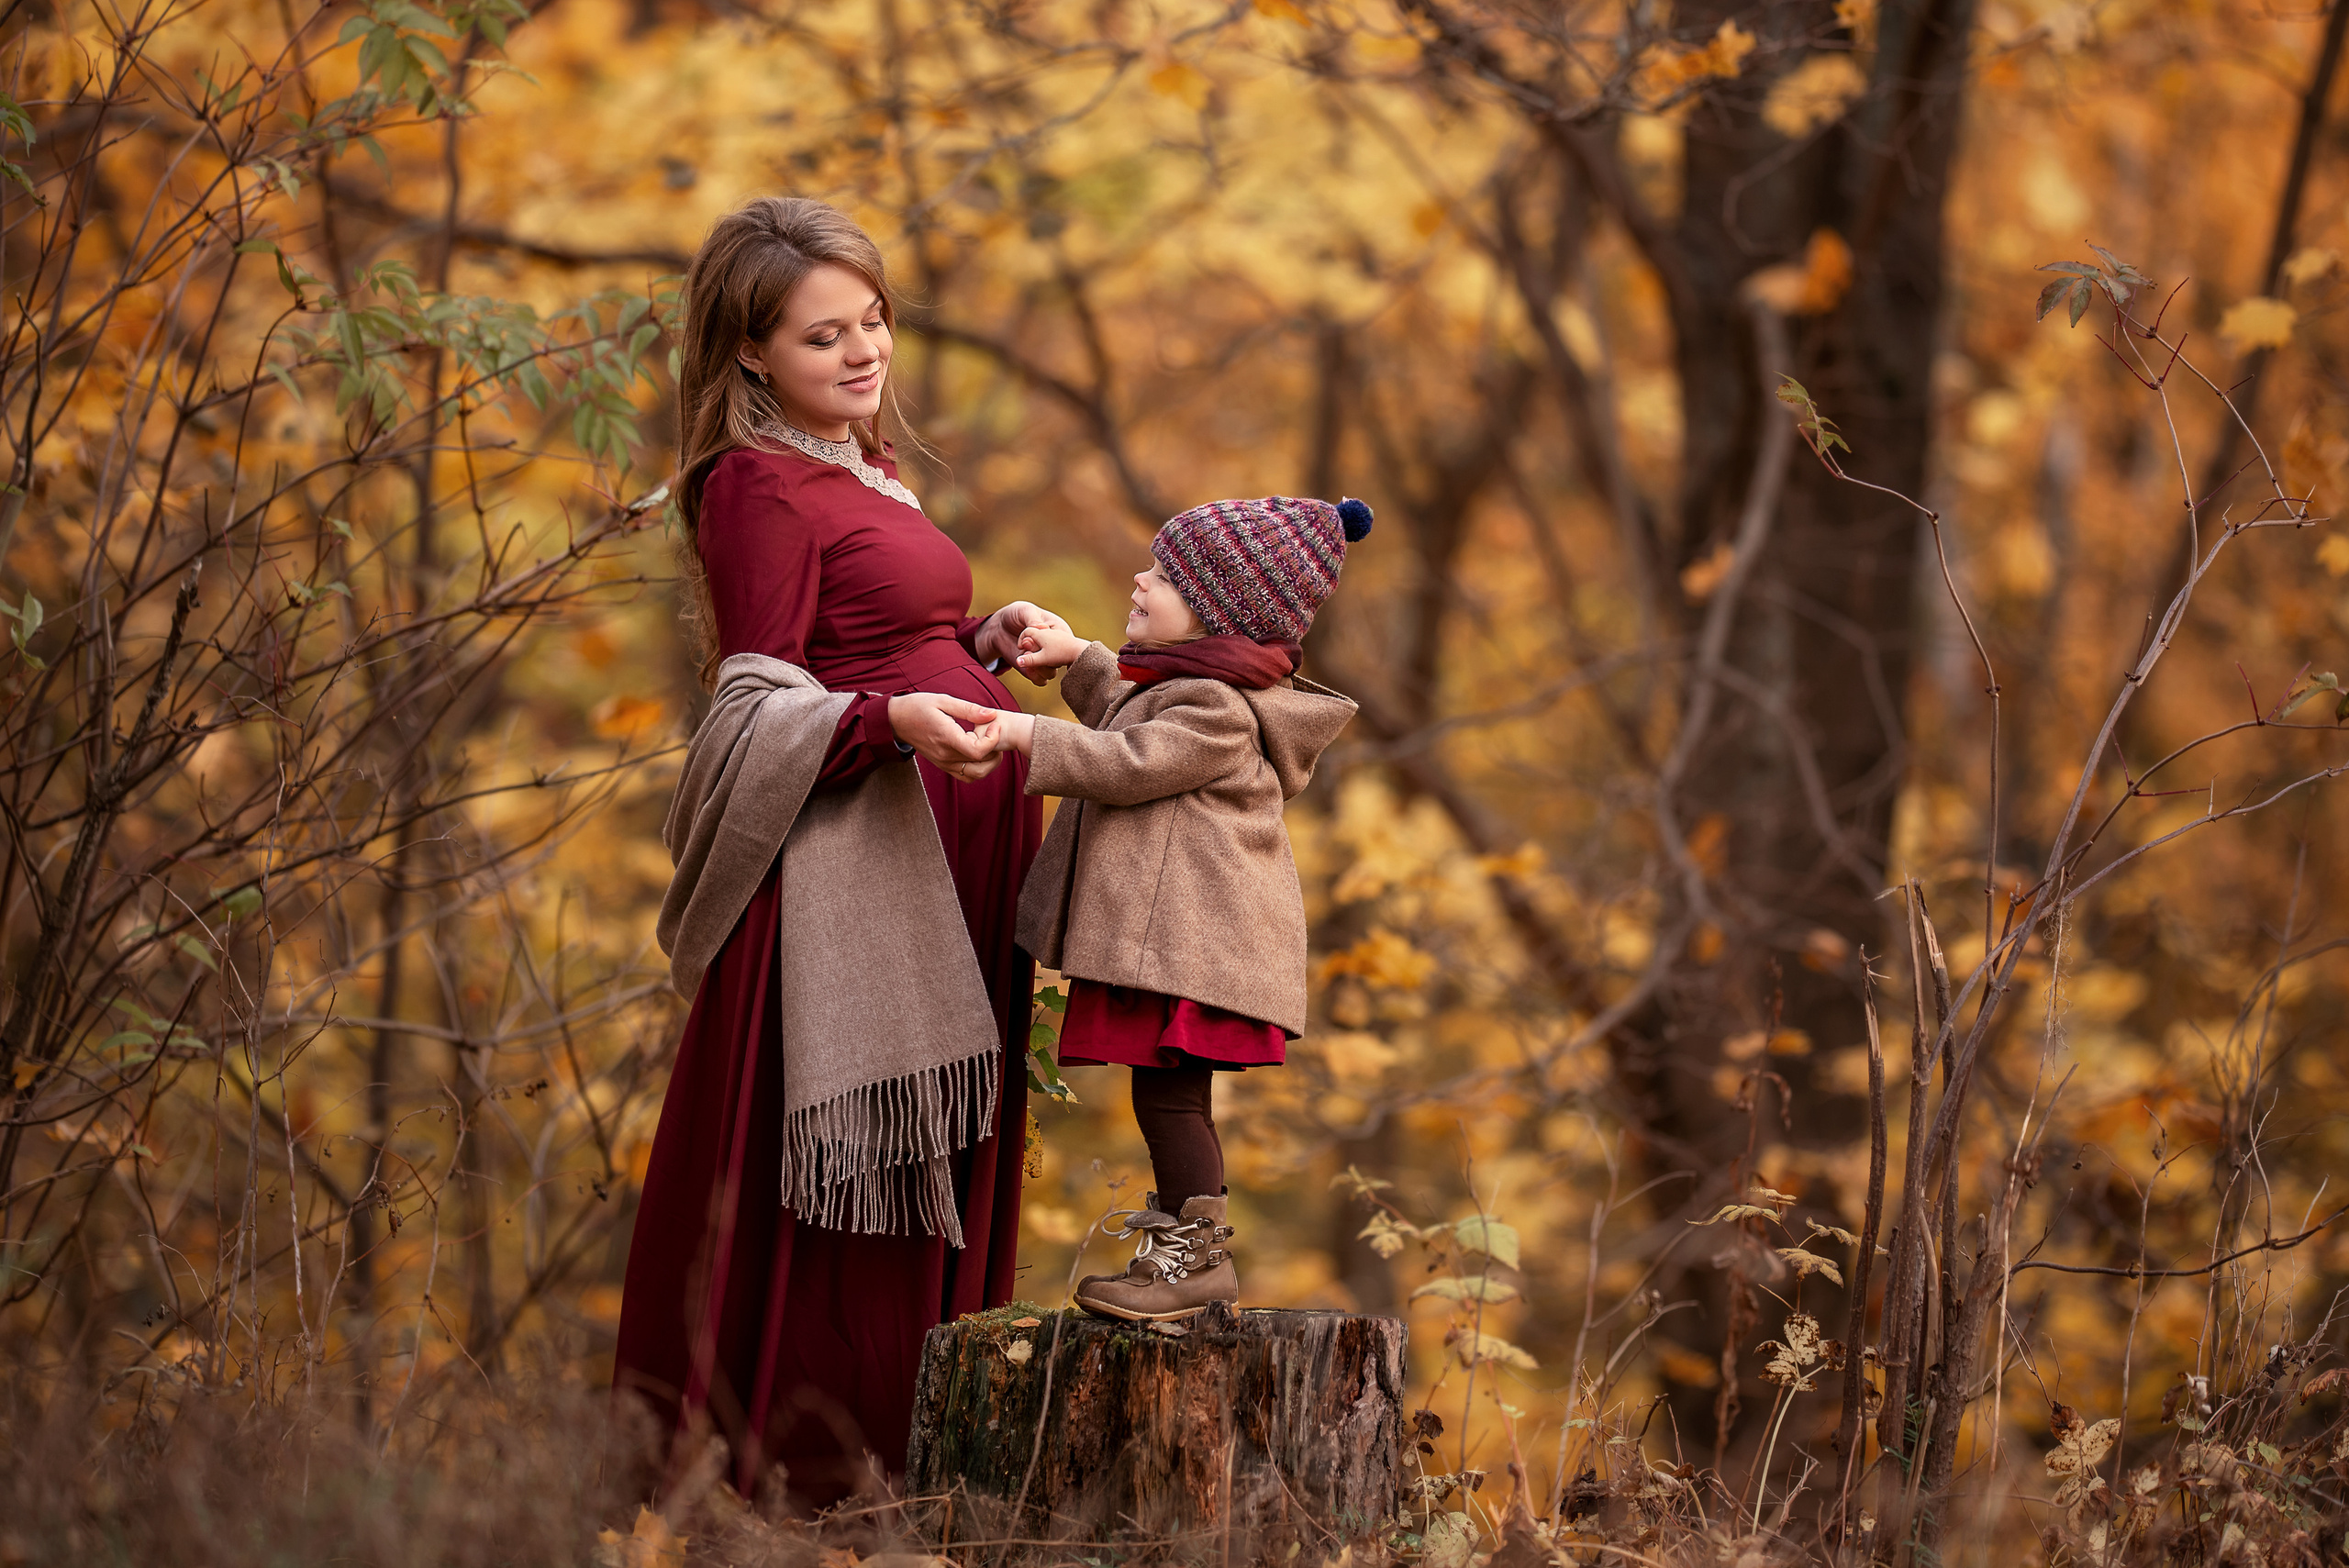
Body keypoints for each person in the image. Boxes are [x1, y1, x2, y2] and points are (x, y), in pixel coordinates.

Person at [614, 195, 1065, 1505]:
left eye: (873, 320)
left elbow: (882, 628)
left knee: (931, 1190)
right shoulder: (757, 484)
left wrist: (982, 640)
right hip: (862, 882)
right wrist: (891, 716)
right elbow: (753, 706)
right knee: (831, 1212)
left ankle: (912, 1479)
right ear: (752, 354)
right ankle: (802, 1481)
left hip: (957, 868)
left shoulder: (864, 466)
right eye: (825, 337)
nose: (864, 352)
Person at [971, 495, 1370, 1321]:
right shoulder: (1189, 687)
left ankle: (1194, 1264)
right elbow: (1127, 706)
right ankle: (1179, 1255)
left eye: (1163, 576)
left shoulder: (1218, 711)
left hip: (1195, 949)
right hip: (1173, 943)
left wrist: (1022, 736)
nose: (1140, 579)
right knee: (1168, 1098)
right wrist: (1077, 653)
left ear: (1216, 616)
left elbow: (1129, 760)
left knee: (1173, 1099)